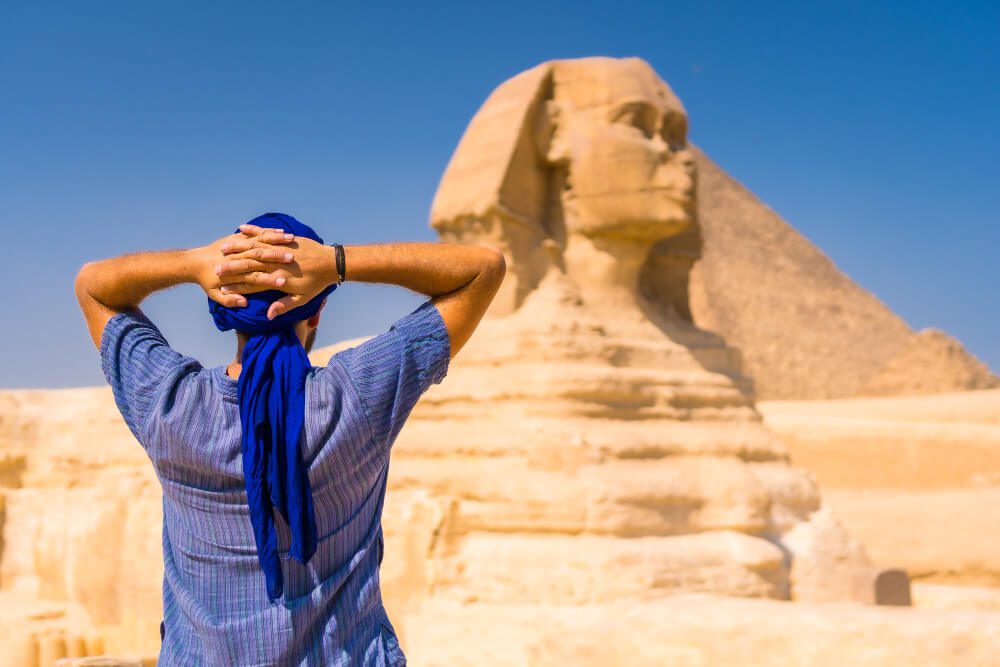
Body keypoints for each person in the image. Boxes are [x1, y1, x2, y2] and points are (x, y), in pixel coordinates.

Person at [74, 212, 506, 666]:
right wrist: (337, 263)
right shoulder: (356, 398)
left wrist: (197, 263)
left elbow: (93, 286)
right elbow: (483, 268)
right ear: (317, 309)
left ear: (221, 307)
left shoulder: (170, 403)